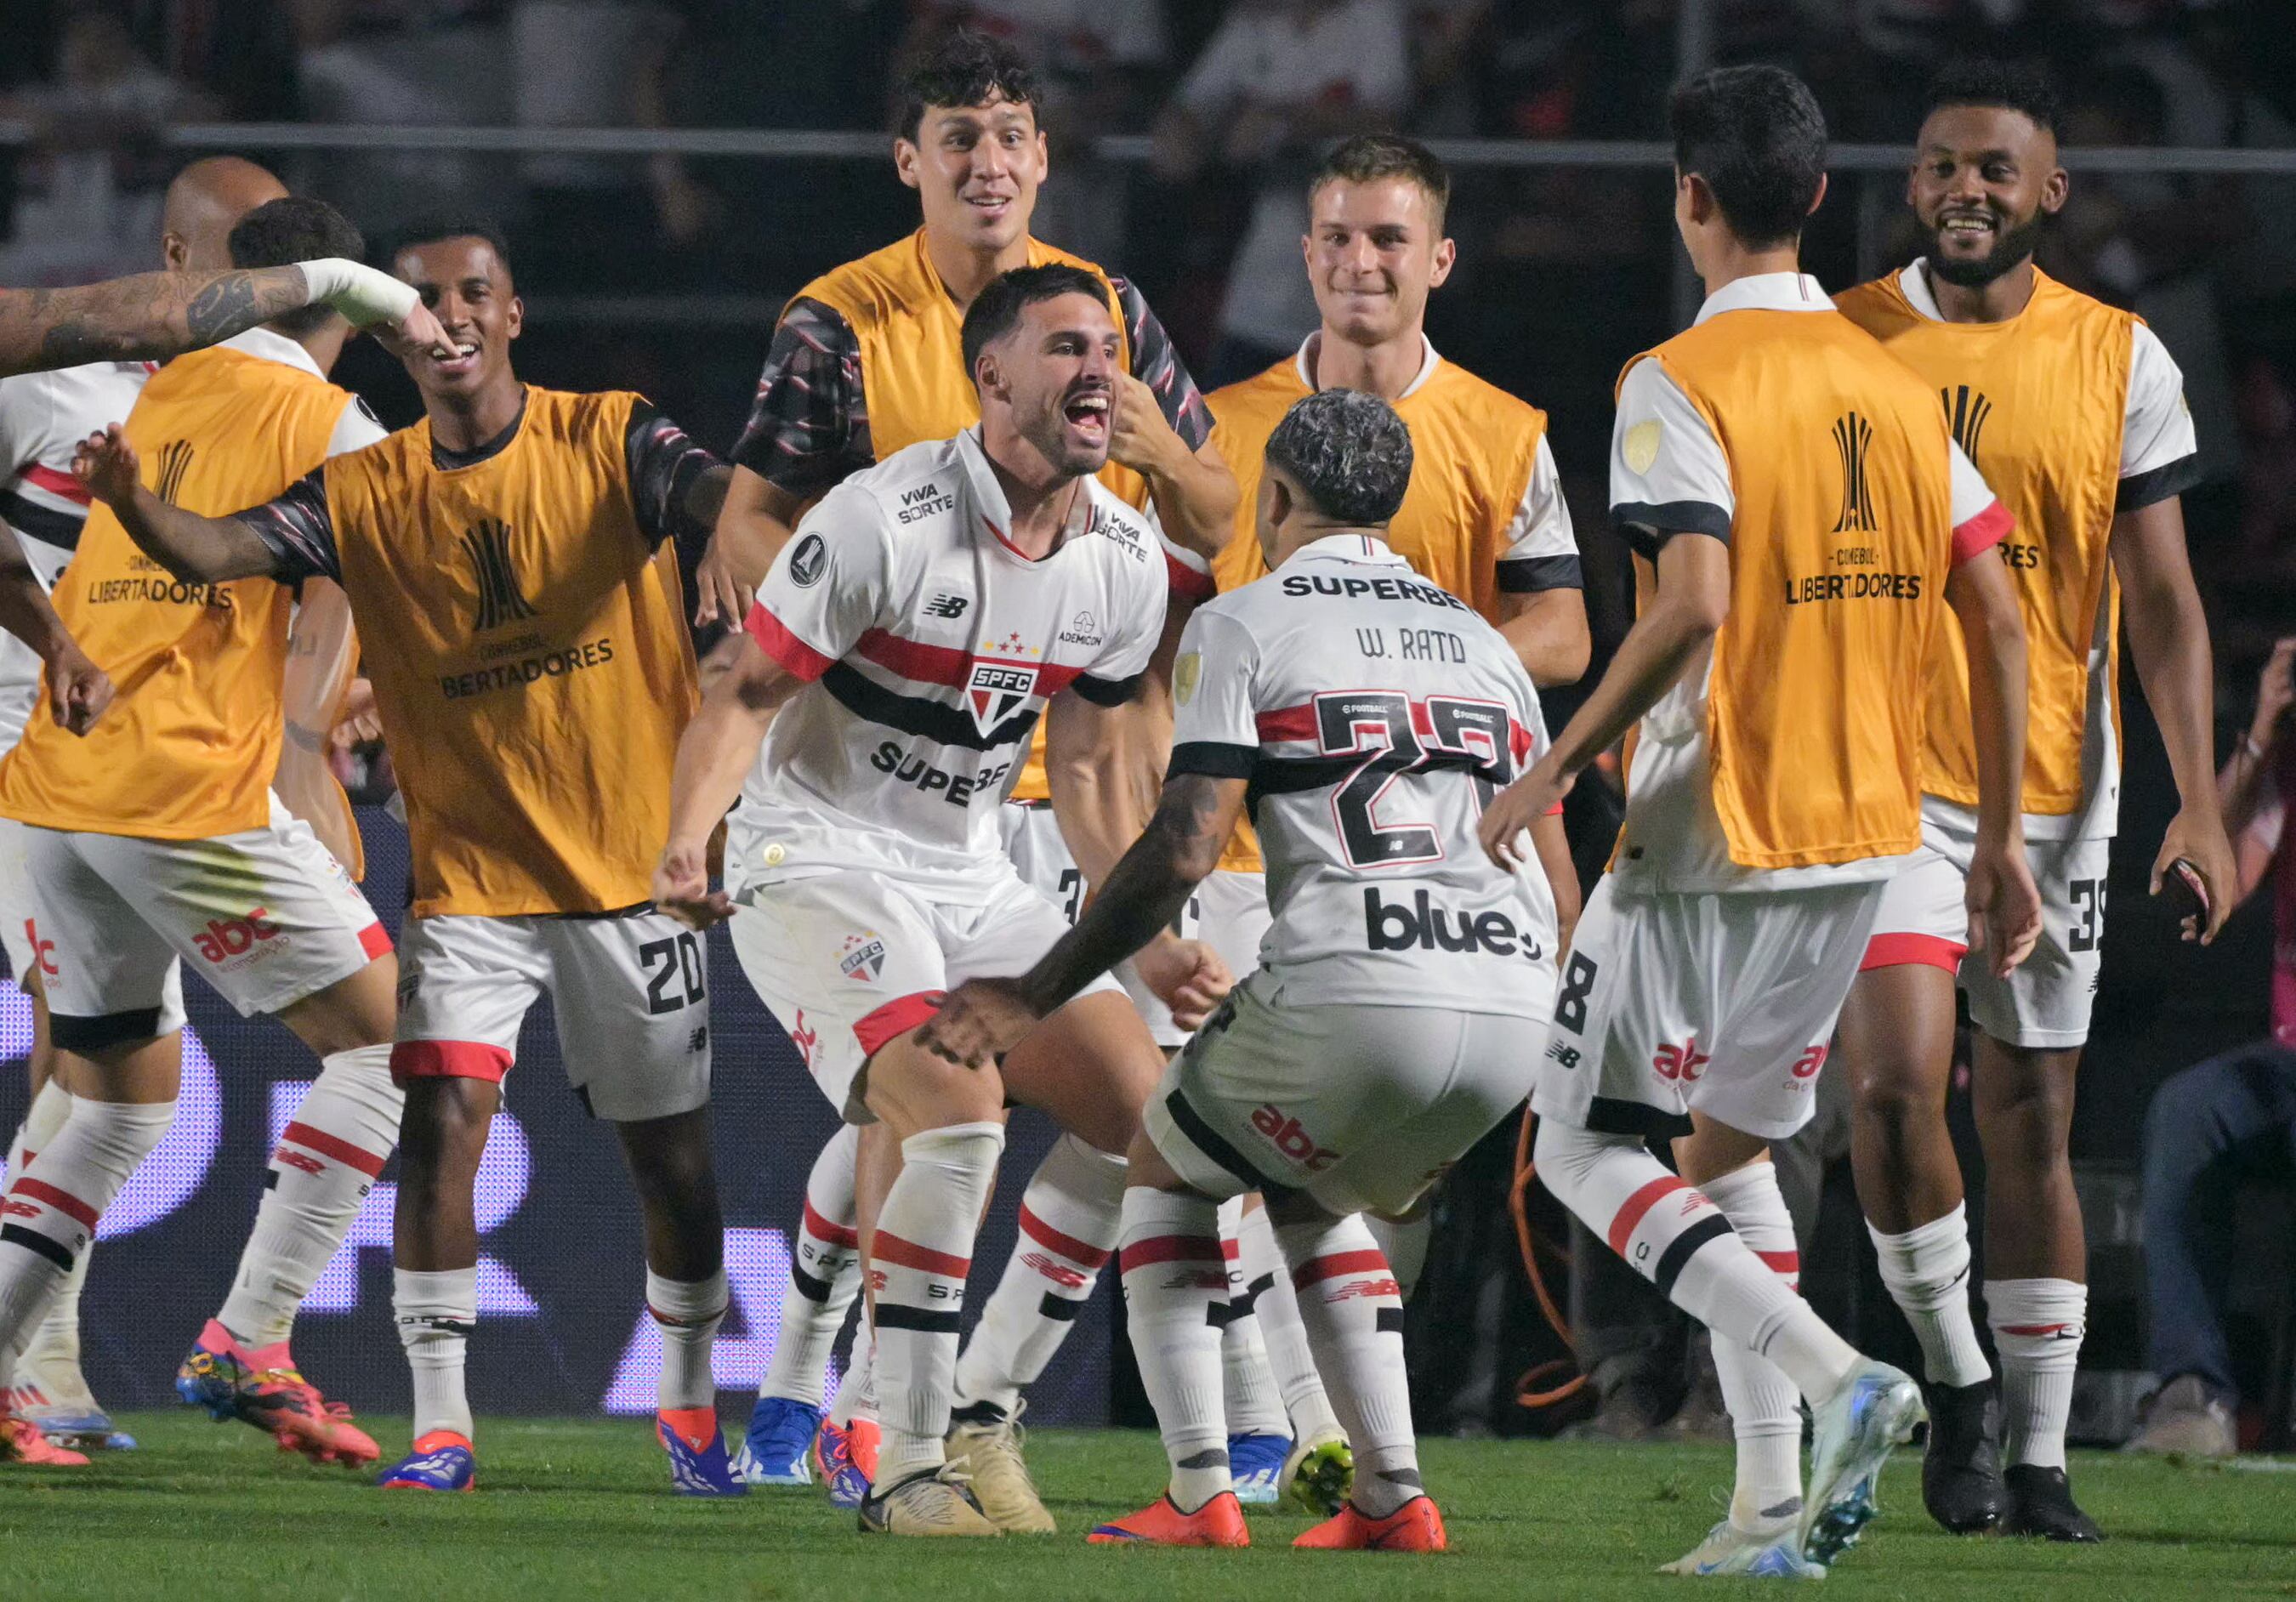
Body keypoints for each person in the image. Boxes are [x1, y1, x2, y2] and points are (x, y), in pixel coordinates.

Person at [72, 219, 744, 1498]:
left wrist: (738, 536)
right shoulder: (365, 488)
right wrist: (132, 500)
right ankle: (444, 1429)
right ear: (395, 331)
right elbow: (218, 555)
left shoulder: (609, 436)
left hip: (626, 874)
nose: (448, 316)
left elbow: (722, 499)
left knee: (675, 1165)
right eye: (421, 301)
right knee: (438, 1127)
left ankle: (693, 1405)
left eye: (473, 295)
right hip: (472, 885)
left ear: (512, 314)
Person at [1480, 65, 2039, 1578]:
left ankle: (1840, 1369)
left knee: (1586, 1148)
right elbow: (1999, 614)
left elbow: (1693, 604)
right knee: (1724, 1157)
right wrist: (1988, 837)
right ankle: (1769, 1514)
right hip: (1867, 835)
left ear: (1692, 199)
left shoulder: (1675, 379)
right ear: (1821, 199)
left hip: (1710, 818)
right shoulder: (1901, 384)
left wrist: (1551, 765)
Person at [713, 29, 1236, 1527]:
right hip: (847, 779)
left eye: (1010, 132)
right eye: (958, 136)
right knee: (938, 1095)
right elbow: (756, 523)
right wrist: (825, 634)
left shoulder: (1110, 319)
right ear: (912, 161)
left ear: (1044, 156)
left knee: (1153, 1120)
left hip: (1016, 783)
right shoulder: (837, 324)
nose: (987, 159)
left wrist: (1148, 448)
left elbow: (1217, 509)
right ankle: (872, 1421)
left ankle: (957, 1402)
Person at [918, 386, 1577, 1551]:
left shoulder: (1248, 618)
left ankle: (1199, 1492)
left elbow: (1182, 843)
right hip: (1514, 999)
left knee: (1164, 1161)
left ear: (1272, 497)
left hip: (1363, 986)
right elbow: (1551, 854)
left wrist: (1044, 985)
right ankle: (1392, 1497)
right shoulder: (1486, 642)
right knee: (1308, 1191)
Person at [1827, 58, 2235, 1542]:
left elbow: (2171, 600)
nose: (1964, 192)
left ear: (2048, 192)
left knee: (2029, 1111)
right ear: (1911, 184)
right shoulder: (1843, 336)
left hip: (2060, 778)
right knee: (1890, 1087)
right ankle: (1955, 1379)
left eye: (1995, 169)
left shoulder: (2120, 353)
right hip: (1877, 773)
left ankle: (2044, 1454)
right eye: (1940, 166)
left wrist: (2200, 799)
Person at [1196, 128, 1590, 1508]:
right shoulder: (1219, 428)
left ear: (1439, 259)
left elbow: (1565, 628)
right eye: (1339, 238)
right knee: (1226, 1154)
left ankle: (1321, 1441)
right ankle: (1275, 1435)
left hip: (1435, 859)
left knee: (1339, 1188)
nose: (1362, 262)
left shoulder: (1502, 430)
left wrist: (1397, 646)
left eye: (1388, 239)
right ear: (1305, 254)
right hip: (1246, 851)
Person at [0, 196, 403, 1472]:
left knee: (116, 1098)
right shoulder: (328, 417)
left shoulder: (142, 394)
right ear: (336, 311)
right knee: (396, 1048)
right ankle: (251, 1334)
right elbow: (356, 579)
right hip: (178, 785)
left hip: (51, 787)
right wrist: (316, 740)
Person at [2126, 636, 2296, 1460]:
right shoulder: (2284, 780)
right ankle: (2193, 1390)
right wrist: (2262, 731)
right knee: (2191, 1107)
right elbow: (2214, 870)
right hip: (2287, 1068)